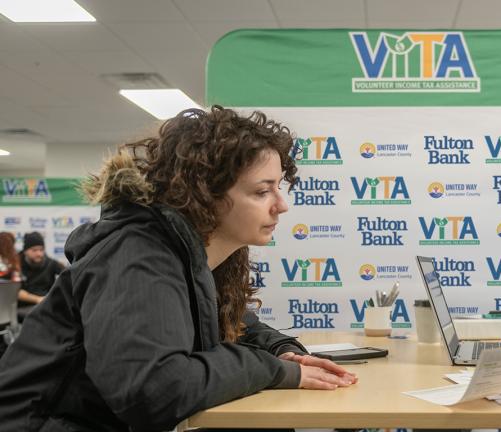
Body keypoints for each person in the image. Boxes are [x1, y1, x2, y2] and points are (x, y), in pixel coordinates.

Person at [0, 106, 357, 431]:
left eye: (279, 187)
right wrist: (270, 369)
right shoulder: (137, 256)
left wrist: (282, 351)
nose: (282, 205)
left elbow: (235, 323)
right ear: (205, 195)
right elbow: (154, 391)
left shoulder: (192, 250)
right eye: (262, 191)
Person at [16, 231, 65, 319]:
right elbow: (15, 292)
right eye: (34, 250)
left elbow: (69, 275)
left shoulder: (51, 263)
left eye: (41, 250)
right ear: (25, 251)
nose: (39, 254)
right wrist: (38, 299)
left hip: (47, 304)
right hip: (23, 307)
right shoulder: (16, 264)